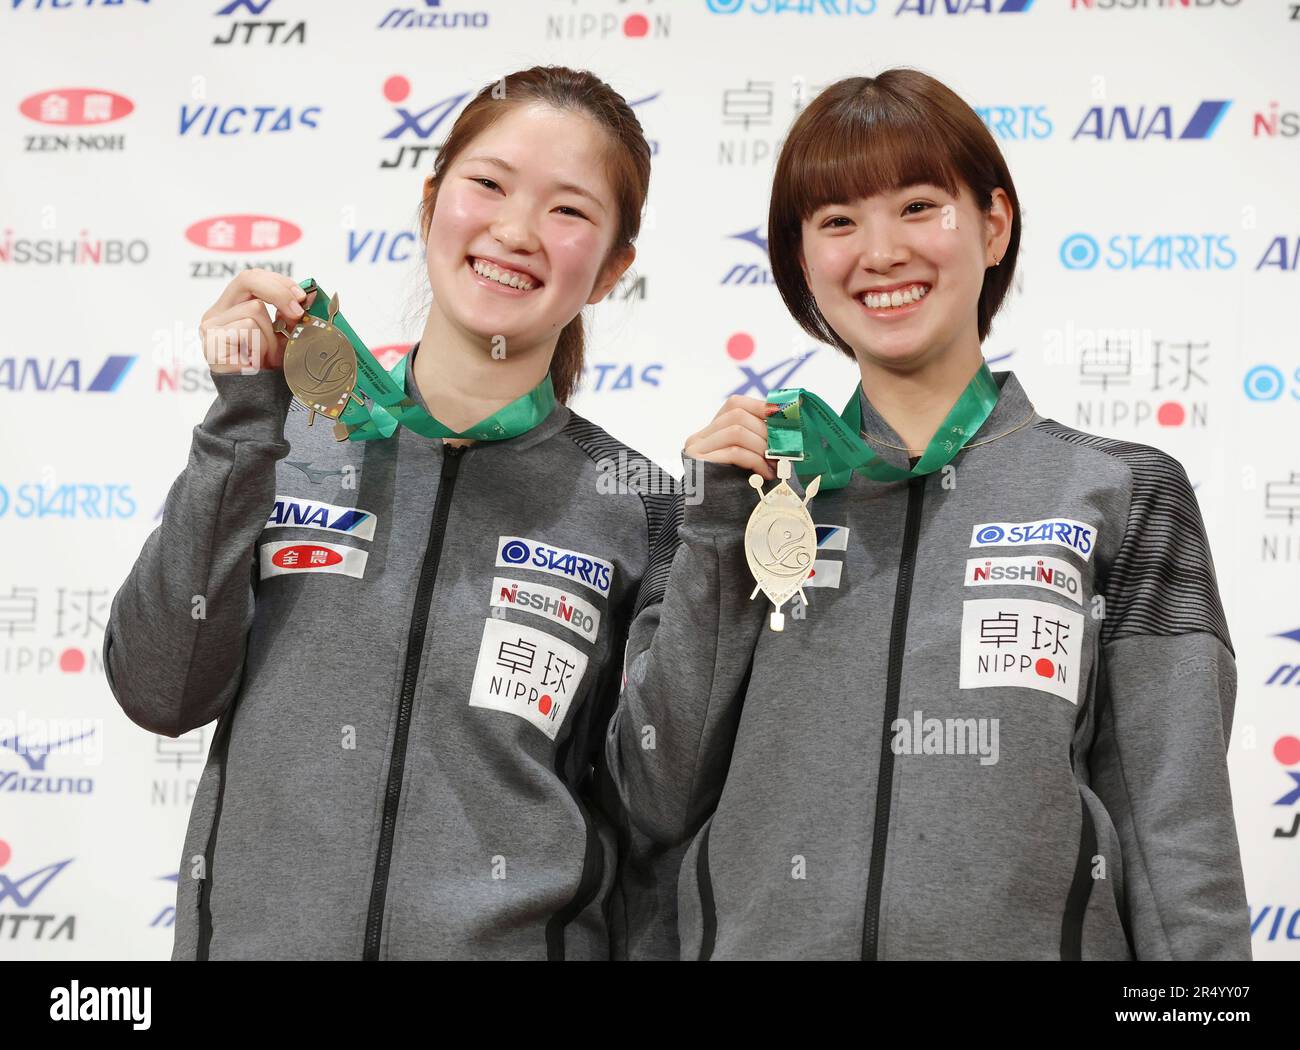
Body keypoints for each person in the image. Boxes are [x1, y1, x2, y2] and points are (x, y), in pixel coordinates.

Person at [603, 68, 1251, 960]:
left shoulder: (1122, 492)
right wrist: (717, 535)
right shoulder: (743, 501)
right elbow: (653, 795)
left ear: (992, 225)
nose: (880, 251)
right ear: (800, 262)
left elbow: (1175, 834)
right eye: (837, 222)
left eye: (916, 206)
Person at [104, 65, 678, 960]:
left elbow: (655, 812)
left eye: (569, 210)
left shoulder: (640, 509)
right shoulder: (279, 441)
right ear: (431, 199)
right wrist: (241, 426)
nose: (515, 230)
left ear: (611, 270)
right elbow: (159, 691)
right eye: (488, 183)